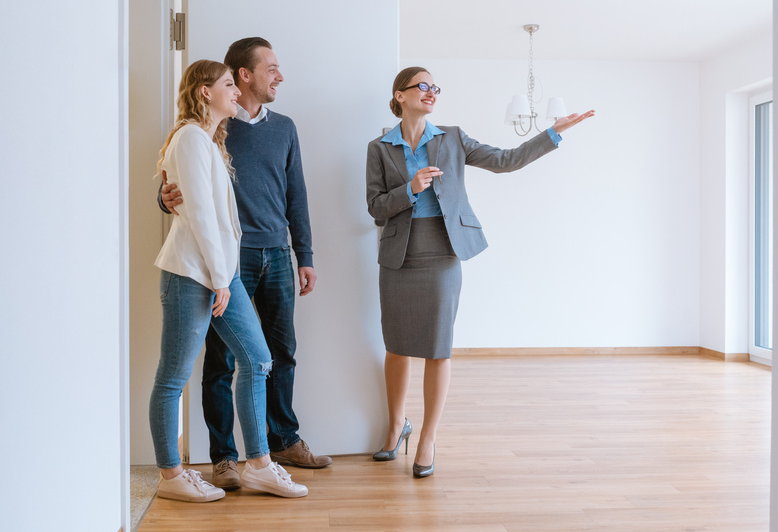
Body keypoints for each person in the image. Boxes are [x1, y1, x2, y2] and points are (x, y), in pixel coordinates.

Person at [365, 66, 594, 478]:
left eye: (435, 87)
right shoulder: (379, 147)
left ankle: (428, 439)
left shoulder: (451, 137)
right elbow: (376, 207)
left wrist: (553, 133)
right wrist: (410, 189)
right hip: (398, 254)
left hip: (442, 250)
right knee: (396, 345)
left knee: (437, 346)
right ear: (400, 95)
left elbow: (505, 161)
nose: (431, 92)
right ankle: (397, 425)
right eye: (423, 86)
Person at [160, 38, 330, 492]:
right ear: (242, 75)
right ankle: (224, 458)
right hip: (227, 259)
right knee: (220, 361)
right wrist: (162, 197)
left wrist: (304, 254)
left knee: (276, 353)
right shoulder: (212, 128)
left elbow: (298, 194)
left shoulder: (281, 127)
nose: (279, 76)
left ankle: (281, 442)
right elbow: (180, 190)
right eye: (271, 68)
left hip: (274, 253)